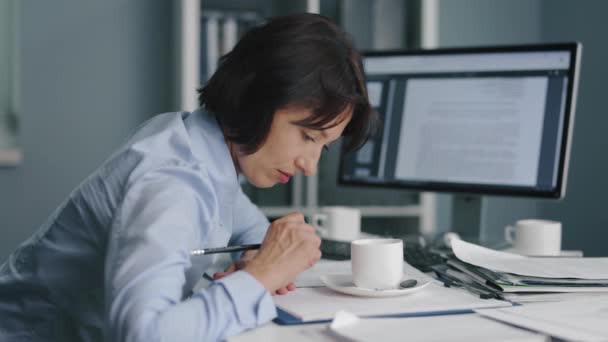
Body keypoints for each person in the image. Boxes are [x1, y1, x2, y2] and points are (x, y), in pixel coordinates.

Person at [0, 13, 377, 341]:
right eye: (307, 136)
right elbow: (142, 335)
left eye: (322, 147)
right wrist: (260, 277)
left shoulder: (196, 144)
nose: (309, 165)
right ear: (256, 97)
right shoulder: (172, 183)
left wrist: (258, 257)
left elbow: (251, 228)